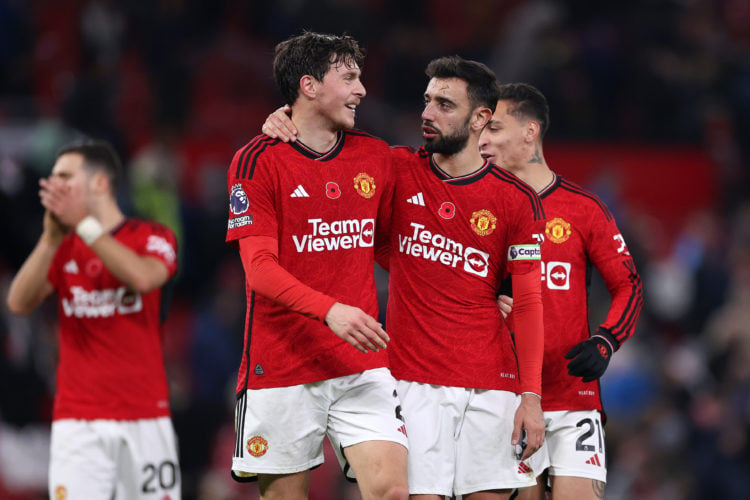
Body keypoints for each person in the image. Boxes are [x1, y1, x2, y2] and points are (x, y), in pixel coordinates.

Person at [263, 56, 548, 500]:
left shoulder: (517, 200)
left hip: (493, 383)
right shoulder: (394, 167)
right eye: (427, 101)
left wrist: (531, 396)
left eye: (444, 105)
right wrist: (282, 118)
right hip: (411, 382)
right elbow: (369, 235)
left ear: (480, 118)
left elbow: (529, 302)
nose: (427, 113)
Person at [224, 32, 408, 500]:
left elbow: (387, 247)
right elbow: (259, 269)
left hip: (360, 361)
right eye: (348, 77)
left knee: (392, 490)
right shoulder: (256, 161)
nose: (361, 89)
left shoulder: (375, 155)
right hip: (283, 364)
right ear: (308, 85)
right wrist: (331, 311)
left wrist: (473, 293)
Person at [478, 83, 644, 500]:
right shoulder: (481, 208)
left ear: (530, 131)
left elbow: (629, 285)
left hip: (574, 395)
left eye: (495, 128)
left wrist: (606, 341)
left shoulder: (583, 208)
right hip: (505, 396)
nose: (484, 139)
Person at [6, 140, 181, 500]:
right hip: (78, 421)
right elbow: (18, 302)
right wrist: (50, 239)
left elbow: (144, 278)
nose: (54, 186)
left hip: (145, 416)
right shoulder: (64, 246)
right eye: (52, 178)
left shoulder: (152, 237)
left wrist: (84, 225)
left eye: (65, 177)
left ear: (100, 183)